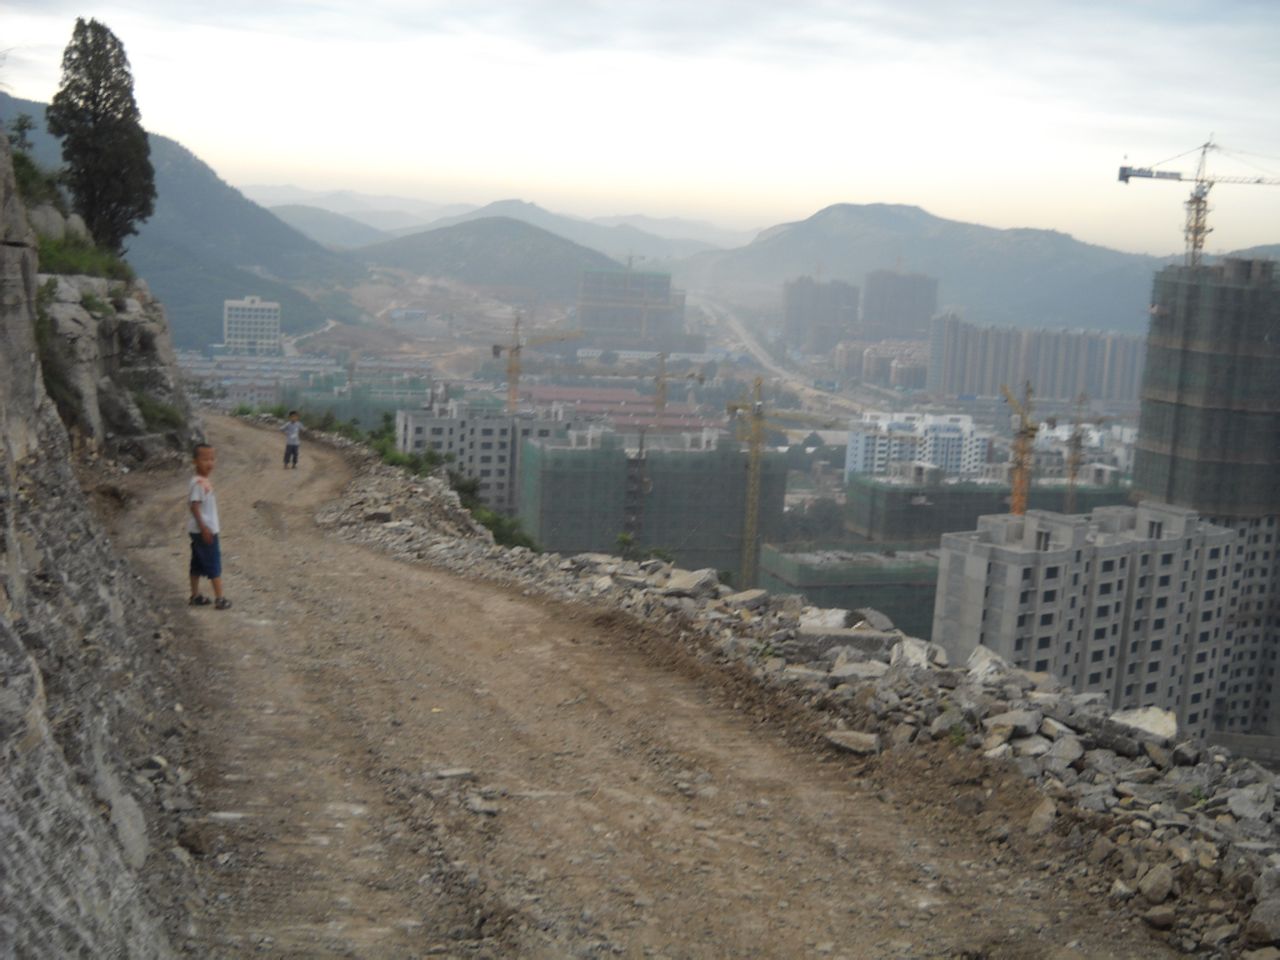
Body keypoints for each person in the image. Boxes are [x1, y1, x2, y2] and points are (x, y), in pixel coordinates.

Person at [188, 443, 231, 610]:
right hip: (204, 531)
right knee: (214, 563)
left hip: (198, 530)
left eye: (212, 459)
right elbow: (194, 506)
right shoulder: (199, 483)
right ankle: (220, 598)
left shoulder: (202, 481)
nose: (209, 463)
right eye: (204, 459)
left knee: (197, 563)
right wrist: (204, 528)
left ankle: (195, 596)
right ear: (195, 462)